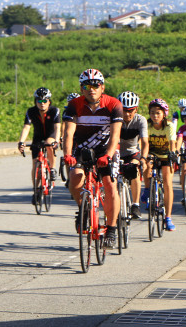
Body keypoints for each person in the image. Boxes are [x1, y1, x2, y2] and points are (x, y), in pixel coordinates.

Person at [62, 68, 123, 248]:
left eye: (95, 85)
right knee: (74, 178)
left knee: (110, 186)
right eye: (87, 85)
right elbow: (69, 133)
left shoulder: (114, 104)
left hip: (106, 149)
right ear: (82, 89)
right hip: (83, 149)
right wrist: (67, 154)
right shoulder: (74, 104)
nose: (92, 89)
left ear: (102, 87)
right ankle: (84, 208)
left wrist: (108, 155)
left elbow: (115, 135)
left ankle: (111, 230)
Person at [17, 87, 61, 205]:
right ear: (35, 102)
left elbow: (57, 128)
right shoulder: (31, 111)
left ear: (49, 101)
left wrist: (56, 141)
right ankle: (36, 190)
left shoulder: (54, 111)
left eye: (45, 101)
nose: (42, 104)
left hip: (50, 135)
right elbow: (26, 127)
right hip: (37, 137)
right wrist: (21, 141)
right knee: (35, 162)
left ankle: (52, 169)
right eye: (39, 101)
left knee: (49, 143)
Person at [145, 98, 178, 231]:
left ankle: (168, 217)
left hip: (165, 156)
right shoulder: (147, 125)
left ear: (164, 114)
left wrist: (173, 153)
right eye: (152, 113)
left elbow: (172, 143)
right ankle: (147, 190)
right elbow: (145, 143)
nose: (155, 116)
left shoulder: (169, 126)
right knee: (146, 165)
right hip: (152, 154)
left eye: (158, 113)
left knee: (167, 183)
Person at [117, 91, 149, 220]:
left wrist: (143, 159)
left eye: (130, 110)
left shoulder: (140, 120)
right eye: (124, 110)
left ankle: (135, 205)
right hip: (117, 152)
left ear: (136, 109)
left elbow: (145, 142)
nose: (127, 114)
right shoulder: (114, 119)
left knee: (134, 170)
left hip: (132, 153)